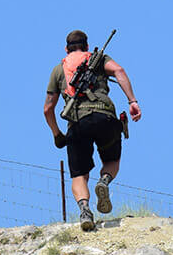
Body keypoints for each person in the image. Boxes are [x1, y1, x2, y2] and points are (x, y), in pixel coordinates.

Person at [44, 29, 141, 230]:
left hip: (77, 124)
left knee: (79, 174)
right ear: (87, 46)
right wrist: (132, 101)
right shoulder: (98, 59)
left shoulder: (58, 70)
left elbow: (47, 109)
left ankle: (85, 210)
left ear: (66, 49)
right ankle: (104, 182)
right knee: (112, 160)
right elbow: (119, 71)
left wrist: (57, 135)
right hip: (105, 116)